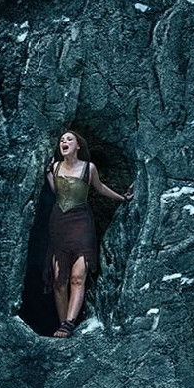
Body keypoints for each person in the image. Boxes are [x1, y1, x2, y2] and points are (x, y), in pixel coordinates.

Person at [42, 127, 130, 336]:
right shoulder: (54, 167)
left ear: (78, 146)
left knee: (77, 278)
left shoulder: (88, 168)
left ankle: (69, 323)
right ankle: (62, 324)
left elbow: (100, 188)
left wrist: (122, 198)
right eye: (62, 140)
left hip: (81, 223)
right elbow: (58, 193)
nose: (64, 142)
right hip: (59, 224)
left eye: (69, 139)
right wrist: (48, 175)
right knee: (59, 280)